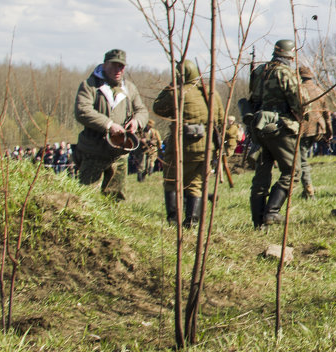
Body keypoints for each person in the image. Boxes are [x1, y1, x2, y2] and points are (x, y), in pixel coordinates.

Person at [153, 59, 230, 228]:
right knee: (196, 184)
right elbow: (220, 120)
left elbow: (157, 108)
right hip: (204, 147)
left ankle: (173, 220)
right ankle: (192, 221)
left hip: (179, 146)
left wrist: (171, 86)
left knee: (172, 180)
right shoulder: (210, 93)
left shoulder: (177, 92)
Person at [73, 48, 149, 201]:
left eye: (121, 66)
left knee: (116, 199)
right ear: (105, 64)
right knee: (86, 198)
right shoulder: (90, 86)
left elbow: (142, 110)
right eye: (114, 65)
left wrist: (137, 122)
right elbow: (82, 110)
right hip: (94, 151)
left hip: (119, 153)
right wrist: (109, 125)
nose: (118, 70)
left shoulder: (129, 88)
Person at [246, 39, 305, 228]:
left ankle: (258, 221)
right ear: (290, 55)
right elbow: (297, 103)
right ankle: (271, 212)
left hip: (259, 127)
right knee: (293, 171)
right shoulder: (285, 73)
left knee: (261, 174)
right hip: (280, 127)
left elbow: (253, 98)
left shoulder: (259, 71)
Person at [298, 64, 332, 199]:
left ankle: (308, 190)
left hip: (304, 130)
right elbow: (327, 114)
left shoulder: (299, 90)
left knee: (301, 160)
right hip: (319, 129)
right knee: (303, 157)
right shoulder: (319, 90)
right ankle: (306, 189)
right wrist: (329, 132)